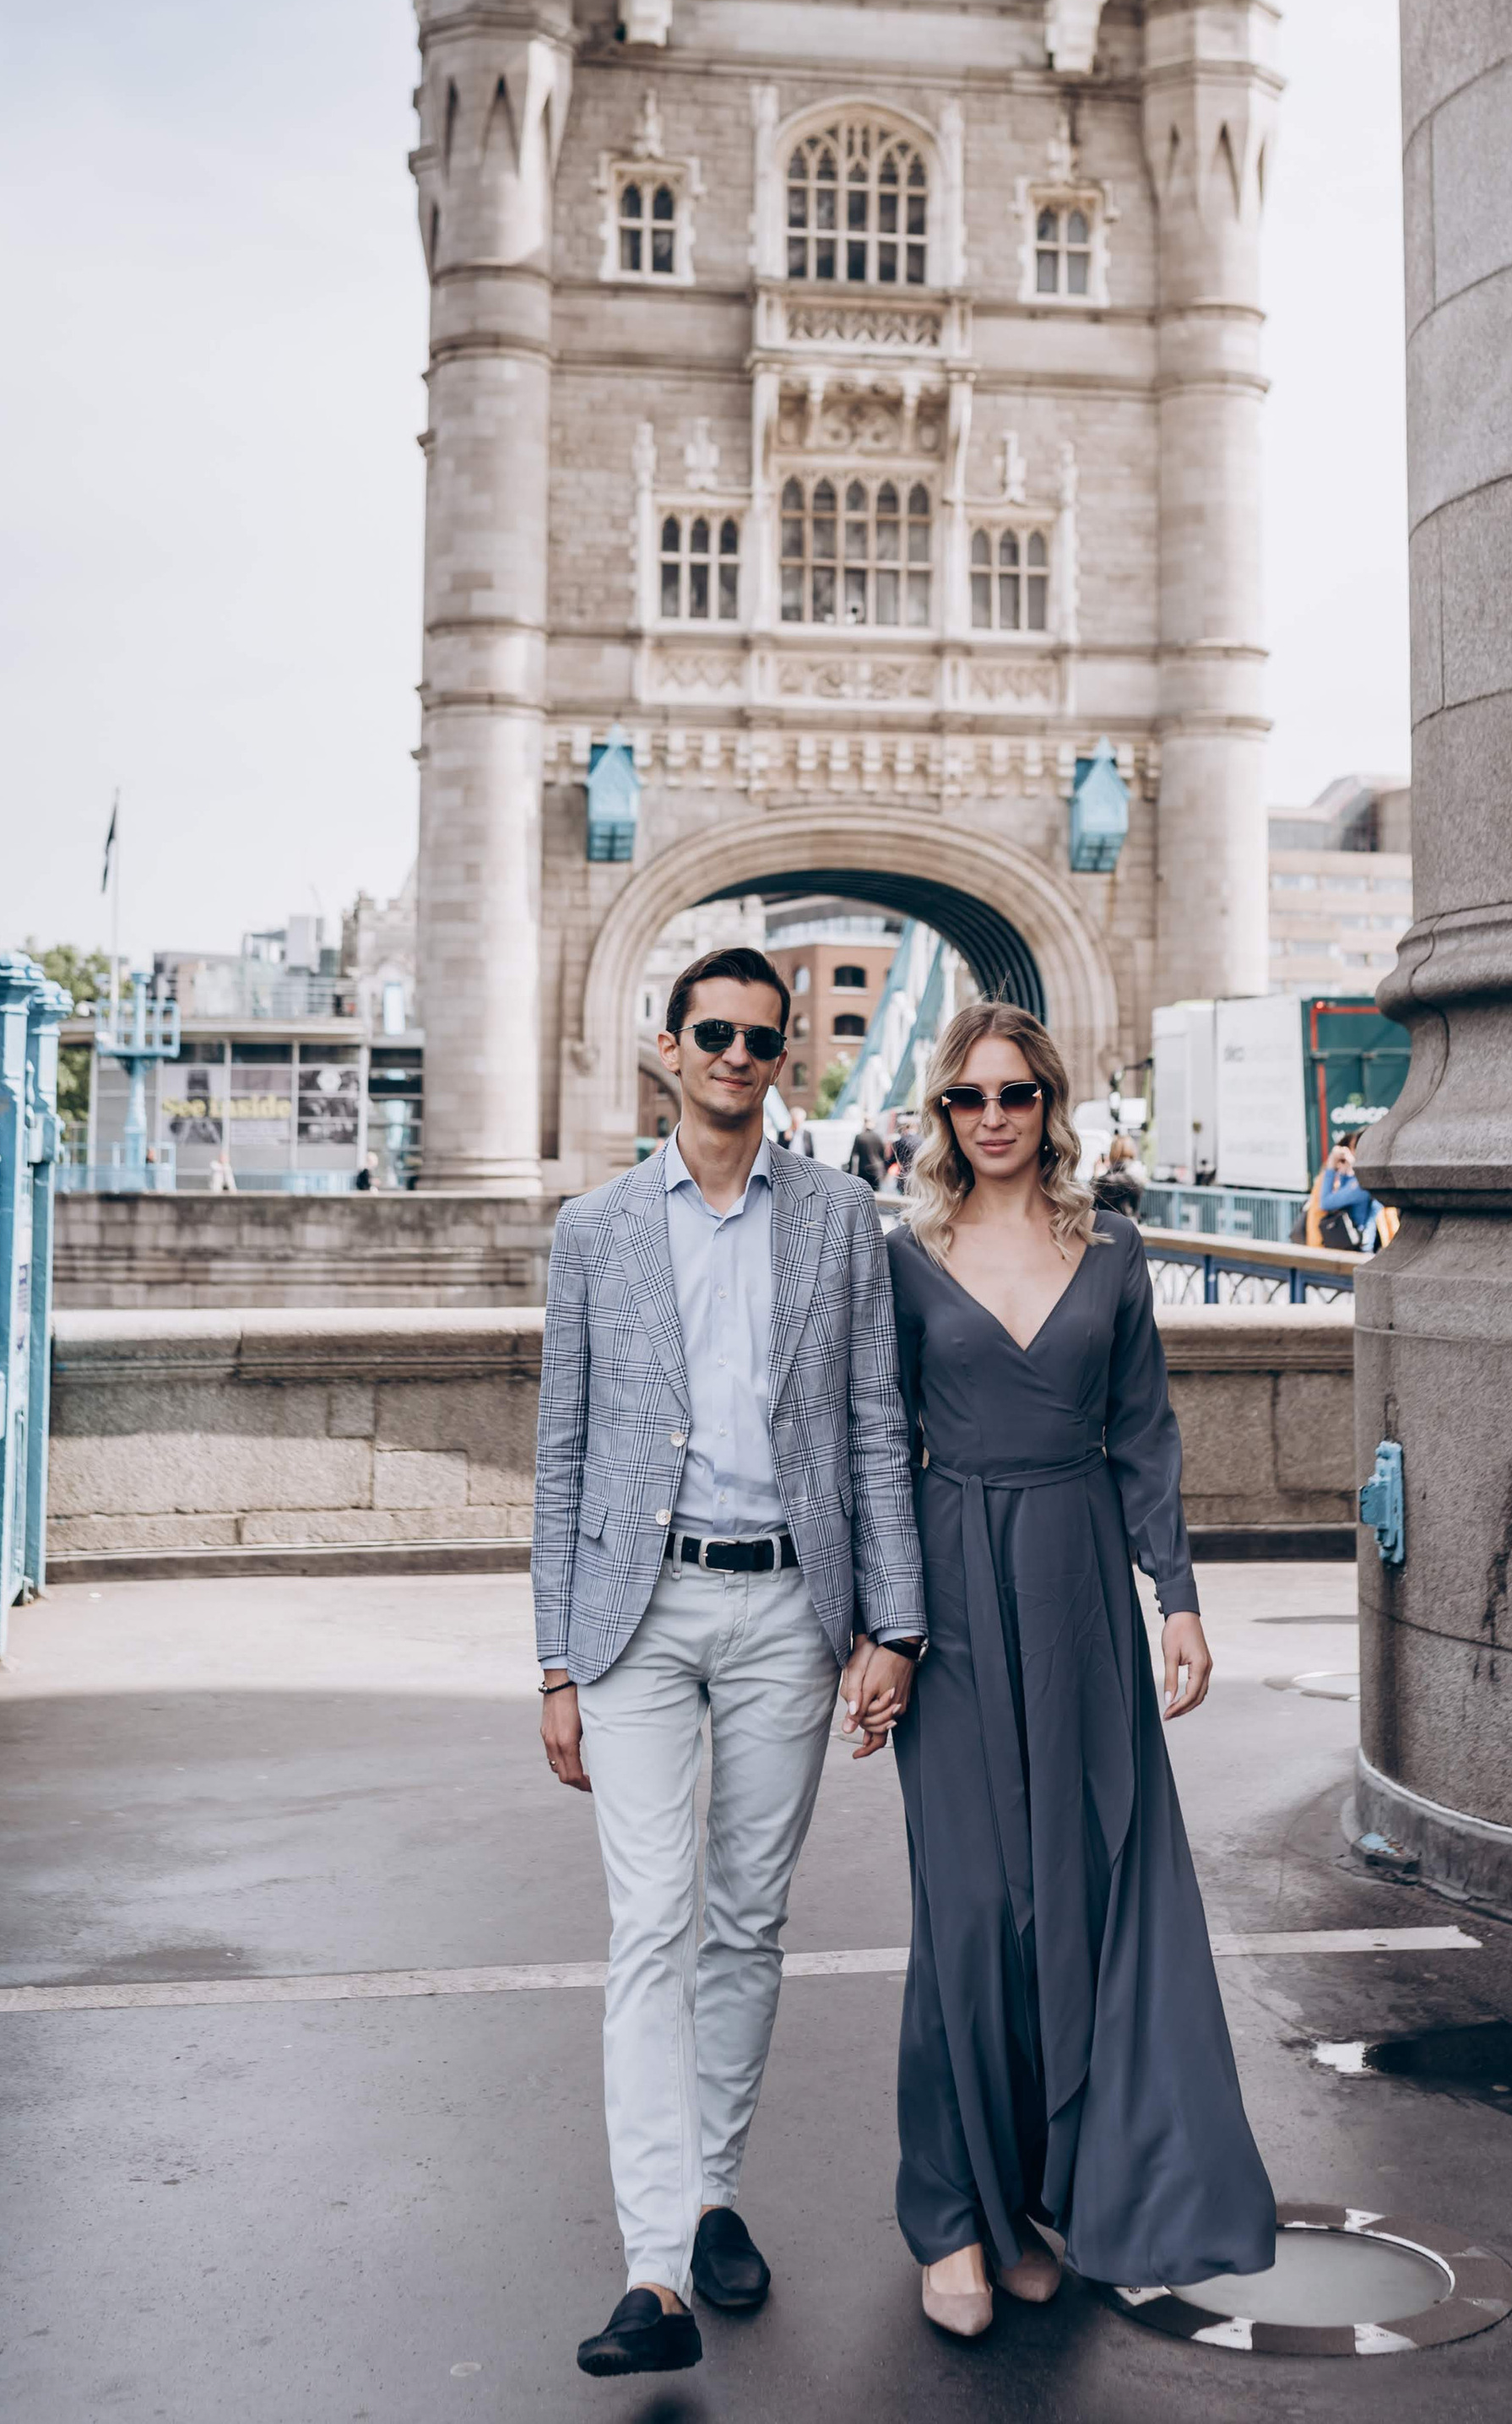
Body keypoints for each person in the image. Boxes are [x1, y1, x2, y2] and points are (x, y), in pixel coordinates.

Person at [533, 945, 928, 2379]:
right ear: (669, 1044)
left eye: (762, 1038)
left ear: (783, 1057)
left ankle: (709, 2197)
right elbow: (561, 1455)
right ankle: (654, 2271)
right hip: (635, 1615)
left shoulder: (841, 1215)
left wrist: (894, 1622)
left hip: (786, 1612)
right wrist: (554, 1661)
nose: (736, 1057)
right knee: (651, 1925)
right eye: (713, 1032)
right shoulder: (595, 1229)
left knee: (748, 1919)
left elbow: (876, 1425)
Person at [884, 1000, 1276, 2337]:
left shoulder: (1111, 1248)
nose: (992, 1117)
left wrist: (1180, 1598)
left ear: (1051, 1104)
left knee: (1081, 1890)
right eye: (968, 1097)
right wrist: (882, 1629)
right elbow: (877, 1446)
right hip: (951, 1589)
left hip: (1082, 1586)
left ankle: (1035, 2203)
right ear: (943, 1113)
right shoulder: (904, 1255)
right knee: (971, 1907)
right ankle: (954, 2216)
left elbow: (1144, 1432)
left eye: (1016, 1093)